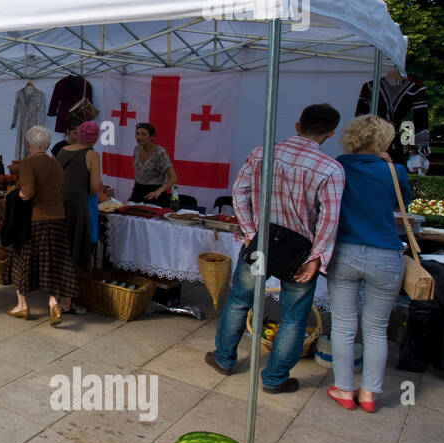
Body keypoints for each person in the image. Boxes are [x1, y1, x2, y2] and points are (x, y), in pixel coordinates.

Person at [208, 103, 345, 394]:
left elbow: (239, 192)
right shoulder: (331, 169)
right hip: (300, 252)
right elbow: (328, 219)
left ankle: (223, 358)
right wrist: (316, 258)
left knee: (240, 300)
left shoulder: (261, 153)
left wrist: (248, 231)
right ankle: (274, 379)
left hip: (260, 241)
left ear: (298, 125)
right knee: (294, 316)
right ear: (331, 133)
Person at [327, 115, 408, 413]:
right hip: (386, 254)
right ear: (384, 141)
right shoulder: (394, 170)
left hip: (345, 250)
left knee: (344, 325)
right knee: (376, 329)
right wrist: (387, 164)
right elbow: (403, 203)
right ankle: (370, 394)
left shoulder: (339, 165)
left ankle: (344, 389)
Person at [7, 125, 78, 325]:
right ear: (47, 144)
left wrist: (16, 193)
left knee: (23, 261)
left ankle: (22, 306)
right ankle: (53, 302)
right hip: (57, 218)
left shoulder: (28, 163)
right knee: (51, 262)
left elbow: (27, 193)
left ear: (28, 143)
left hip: (35, 219)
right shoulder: (56, 164)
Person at [58, 120, 105, 290]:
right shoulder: (92, 155)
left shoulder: (63, 151)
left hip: (61, 203)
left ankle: (59, 286)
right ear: (94, 138)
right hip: (80, 205)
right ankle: (72, 290)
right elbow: (93, 187)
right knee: (78, 246)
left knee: (64, 244)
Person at [130, 122, 178, 206]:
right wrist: (132, 194)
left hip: (154, 192)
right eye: (137, 134)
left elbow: (173, 178)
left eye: (143, 134)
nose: (139, 137)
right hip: (137, 191)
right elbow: (138, 173)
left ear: (152, 137)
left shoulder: (160, 152)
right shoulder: (136, 150)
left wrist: (158, 191)